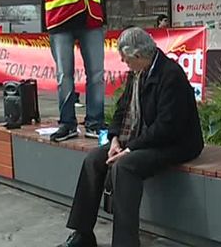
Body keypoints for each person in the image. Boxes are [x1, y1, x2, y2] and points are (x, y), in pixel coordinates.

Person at [57, 27, 204, 247]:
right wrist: (115, 139)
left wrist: (130, 148)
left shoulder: (170, 75)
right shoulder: (138, 73)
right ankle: (83, 234)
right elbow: (122, 109)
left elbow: (167, 128)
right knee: (94, 159)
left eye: (126, 60)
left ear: (138, 56)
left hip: (176, 142)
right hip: (143, 137)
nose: (125, 64)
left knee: (124, 167)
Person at [40, 0, 105, 142]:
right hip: (62, 20)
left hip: (91, 19)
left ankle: (95, 122)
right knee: (64, 75)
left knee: (97, 74)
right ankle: (67, 124)